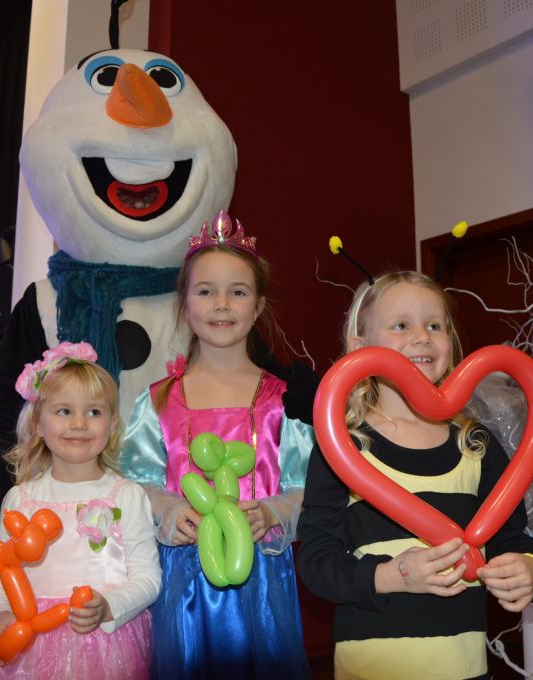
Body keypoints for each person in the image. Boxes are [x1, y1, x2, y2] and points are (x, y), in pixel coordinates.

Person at [296, 271, 533, 680]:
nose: (422, 337)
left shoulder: (477, 446)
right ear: (360, 349)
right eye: (401, 325)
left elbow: (512, 536)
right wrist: (394, 575)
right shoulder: (342, 448)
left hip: (466, 670)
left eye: (435, 325)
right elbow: (316, 563)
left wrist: (528, 567)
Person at [121, 210, 314, 679]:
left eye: (238, 292)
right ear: (184, 304)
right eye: (206, 291)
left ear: (258, 306)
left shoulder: (285, 401)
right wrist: (169, 510)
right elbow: (133, 485)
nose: (221, 304)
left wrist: (272, 513)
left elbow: (308, 490)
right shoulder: (157, 402)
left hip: (263, 587)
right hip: (183, 583)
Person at [0, 341, 161, 680]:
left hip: (105, 650)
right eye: (64, 411)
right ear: (38, 424)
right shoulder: (19, 500)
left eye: (94, 412)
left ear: (112, 424)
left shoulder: (127, 496)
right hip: (28, 649)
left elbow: (148, 578)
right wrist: (1, 616)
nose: (79, 423)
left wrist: (108, 606)